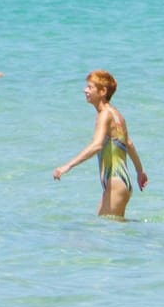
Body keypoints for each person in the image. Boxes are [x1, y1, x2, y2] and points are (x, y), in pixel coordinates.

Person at [52, 70, 149, 218]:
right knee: (109, 229)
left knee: (106, 230)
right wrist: (139, 171)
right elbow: (129, 144)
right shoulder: (117, 114)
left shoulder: (104, 115)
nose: (85, 90)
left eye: (90, 87)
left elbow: (97, 145)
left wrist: (67, 166)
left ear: (102, 91)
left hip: (115, 181)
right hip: (122, 182)